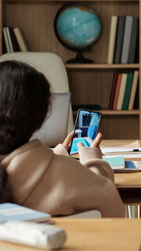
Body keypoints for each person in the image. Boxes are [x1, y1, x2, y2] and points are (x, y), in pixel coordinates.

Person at [0, 60, 125, 217]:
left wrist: (54, 157)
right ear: (42, 115)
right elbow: (113, 210)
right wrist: (92, 160)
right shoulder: (66, 176)